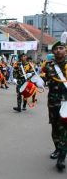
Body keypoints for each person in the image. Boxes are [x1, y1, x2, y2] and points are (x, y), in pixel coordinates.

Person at [42, 41, 67, 170]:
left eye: (61, 48)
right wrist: (39, 81)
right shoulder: (48, 65)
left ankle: (62, 156)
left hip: (66, 101)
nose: (58, 50)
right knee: (55, 127)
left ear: (66, 50)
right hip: (53, 101)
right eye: (56, 49)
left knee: (64, 129)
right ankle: (58, 149)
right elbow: (43, 78)